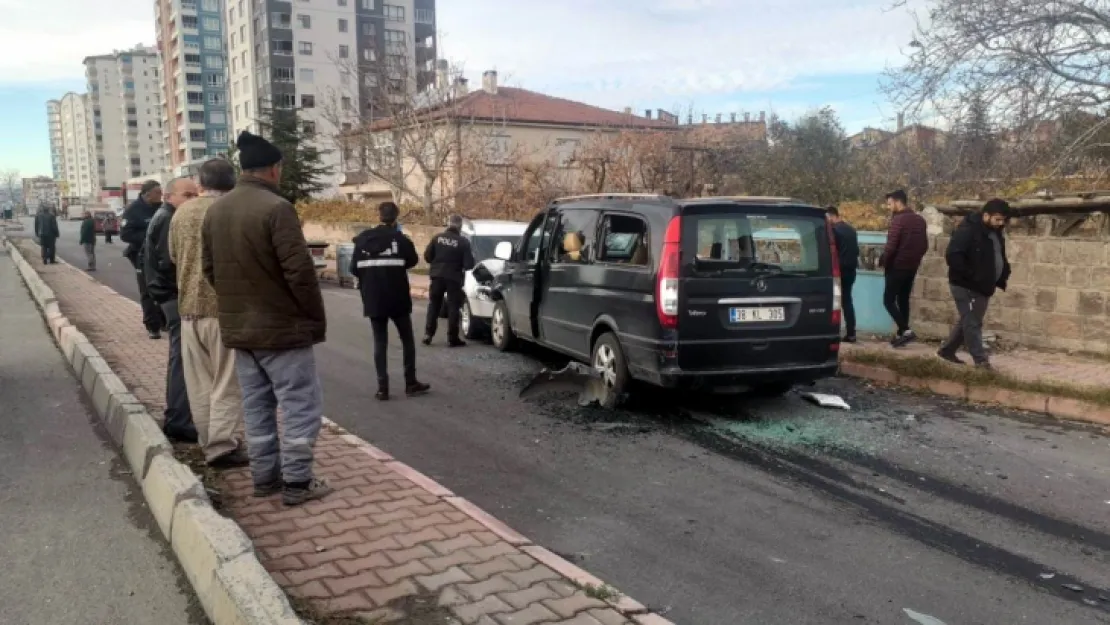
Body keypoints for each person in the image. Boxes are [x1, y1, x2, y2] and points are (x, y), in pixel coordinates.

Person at [202, 130, 330, 506]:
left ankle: (264, 479)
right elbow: (300, 274)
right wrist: (310, 317)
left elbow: (211, 271)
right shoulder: (278, 209)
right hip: (283, 331)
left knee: (256, 408)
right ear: (273, 170)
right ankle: (297, 483)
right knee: (299, 406)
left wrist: (239, 303)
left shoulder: (216, 211)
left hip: (242, 333)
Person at [169, 159, 248, 467]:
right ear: (232, 183)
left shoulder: (182, 213)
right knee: (226, 382)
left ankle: (207, 442)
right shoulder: (231, 211)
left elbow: (174, 256)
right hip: (224, 309)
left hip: (188, 309)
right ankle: (222, 447)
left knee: (199, 383)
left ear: (200, 183)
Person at [350, 201, 431, 401]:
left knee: (380, 341)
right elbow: (412, 261)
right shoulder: (401, 240)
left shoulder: (362, 241)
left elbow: (353, 269)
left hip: (373, 298)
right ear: (396, 217)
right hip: (397, 297)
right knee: (407, 340)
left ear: (379, 215)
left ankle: (382, 388)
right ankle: (410, 382)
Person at [145, 177, 200, 443]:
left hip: (166, 295)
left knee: (181, 357)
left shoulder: (163, 215)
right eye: (187, 195)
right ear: (169, 196)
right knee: (182, 359)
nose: (193, 201)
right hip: (173, 297)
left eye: (195, 195)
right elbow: (171, 263)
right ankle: (179, 420)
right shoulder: (169, 219)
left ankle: (179, 416)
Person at [937, 199, 1012, 369]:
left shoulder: (995, 232)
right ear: (986, 215)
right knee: (973, 323)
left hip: (984, 286)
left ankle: (947, 351)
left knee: (970, 319)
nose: (1001, 223)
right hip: (965, 286)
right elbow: (953, 257)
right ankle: (981, 361)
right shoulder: (968, 230)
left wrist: (1004, 271)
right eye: (998, 219)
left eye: (1003, 220)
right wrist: (973, 276)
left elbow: (998, 254)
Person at [880, 189, 928, 347]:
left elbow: (891, 247)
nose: (888, 207)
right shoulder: (920, 220)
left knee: (888, 300)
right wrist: (915, 260)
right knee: (903, 300)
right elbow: (924, 245)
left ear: (897, 202)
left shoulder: (898, 220)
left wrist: (885, 262)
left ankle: (906, 330)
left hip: (897, 267)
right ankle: (902, 336)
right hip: (911, 267)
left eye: (889, 204)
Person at [122, 180, 168, 339]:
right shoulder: (133, 211)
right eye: (157, 192)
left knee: (164, 287)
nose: (160, 195)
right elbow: (125, 234)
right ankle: (152, 326)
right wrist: (149, 237)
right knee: (147, 290)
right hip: (141, 255)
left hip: (160, 254)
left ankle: (164, 321)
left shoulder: (162, 208)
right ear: (147, 194)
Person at [423, 214, 475, 347]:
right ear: (460, 226)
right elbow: (469, 264)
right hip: (454, 278)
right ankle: (452, 338)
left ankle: (428, 334)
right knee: (453, 307)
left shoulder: (437, 238)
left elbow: (427, 256)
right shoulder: (463, 242)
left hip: (437, 276)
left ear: (448, 224)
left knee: (434, 305)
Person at [827, 206, 859, 342]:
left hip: (838, 271)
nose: (827, 222)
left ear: (832, 216)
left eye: (827, 218)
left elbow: (832, 251)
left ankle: (831, 332)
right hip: (851, 271)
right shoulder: (851, 230)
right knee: (847, 301)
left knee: (832, 302)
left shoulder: (834, 230)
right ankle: (851, 333)